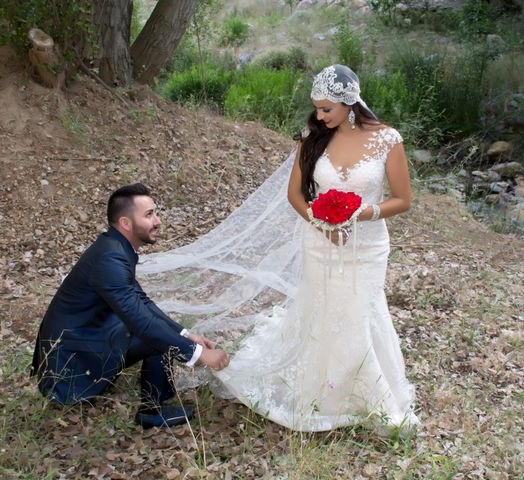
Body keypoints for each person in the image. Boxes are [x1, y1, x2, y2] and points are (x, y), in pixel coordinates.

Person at [208, 64, 419, 433]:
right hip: (319, 240)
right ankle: (320, 389)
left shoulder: (388, 139)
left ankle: (362, 396)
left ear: (350, 103)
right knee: (322, 309)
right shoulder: (313, 136)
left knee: (358, 311)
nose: (319, 116)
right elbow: (295, 194)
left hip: (366, 246)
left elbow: (403, 200)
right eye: (316, 108)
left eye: (327, 109)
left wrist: (363, 213)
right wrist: (321, 223)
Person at [30, 183, 229, 429]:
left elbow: (141, 302)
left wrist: (186, 335)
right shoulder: (110, 258)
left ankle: (157, 400)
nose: (157, 221)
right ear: (125, 223)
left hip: (87, 340)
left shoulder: (115, 248)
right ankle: (153, 411)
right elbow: (140, 320)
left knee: (159, 332)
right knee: (154, 337)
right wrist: (198, 354)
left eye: (156, 213)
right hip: (70, 370)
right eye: (149, 215)